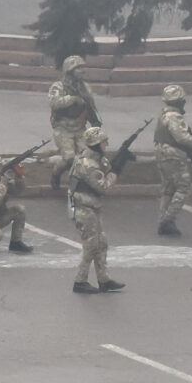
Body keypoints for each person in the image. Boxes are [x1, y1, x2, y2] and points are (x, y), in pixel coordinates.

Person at [62, 124, 122, 294]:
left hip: (92, 206)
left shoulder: (96, 159)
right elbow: (103, 187)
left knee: (101, 243)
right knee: (91, 245)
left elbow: (105, 168)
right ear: (96, 144)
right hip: (84, 207)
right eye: (104, 142)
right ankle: (80, 281)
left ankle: (104, 279)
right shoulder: (88, 164)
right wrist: (115, 173)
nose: (106, 145)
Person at [155, 85, 192, 238]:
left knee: (168, 189)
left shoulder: (163, 114)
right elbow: (181, 137)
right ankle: (167, 220)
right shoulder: (174, 116)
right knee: (183, 188)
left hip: (163, 154)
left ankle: (163, 220)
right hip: (173, 155)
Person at [48, 53, 100, 178]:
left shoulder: (85, 87)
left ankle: (77, 182)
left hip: (80, 127)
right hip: (63, 128)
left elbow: (91, 106)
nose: (82, 70)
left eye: (83, 67)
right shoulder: (58, 86)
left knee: (85, 157)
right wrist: (73, 99)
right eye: (78, 68)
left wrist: (95, 122)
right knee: (69, 158)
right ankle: (56, 173)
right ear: (69, 70)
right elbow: (54, 103)